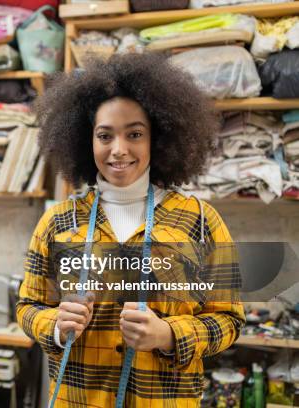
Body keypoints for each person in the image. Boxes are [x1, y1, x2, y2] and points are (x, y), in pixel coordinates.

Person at [16, 53, 245, 407]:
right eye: (105, 135)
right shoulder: (58, 222)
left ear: (158, 137)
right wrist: (56, 326)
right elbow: (28, 306)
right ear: (85, 139)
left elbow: (229, 320)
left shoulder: (201, 221)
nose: (118, 150)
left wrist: (169, 334)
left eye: (135, 134)